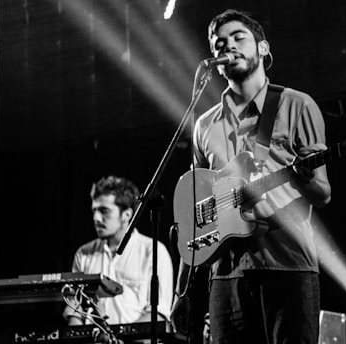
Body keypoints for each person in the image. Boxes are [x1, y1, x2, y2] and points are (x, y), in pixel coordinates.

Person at [171, 9, 331, 344]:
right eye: (219, 44)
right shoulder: (205, 125)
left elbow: (322, 192)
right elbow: (196, 215)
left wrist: (302, 176)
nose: (228, 46)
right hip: (225, 274)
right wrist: (181, 291)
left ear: (262, 47)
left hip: (287, 265)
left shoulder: (297, 105)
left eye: (238, 37)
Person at [63, 175, 175, 326]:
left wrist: (117, 338)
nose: (96, 218)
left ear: (126, 215)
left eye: (104, 211)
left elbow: (158, 315)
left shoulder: (154, 252)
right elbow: (74, 310)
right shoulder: (83, 254)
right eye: (94, 210)